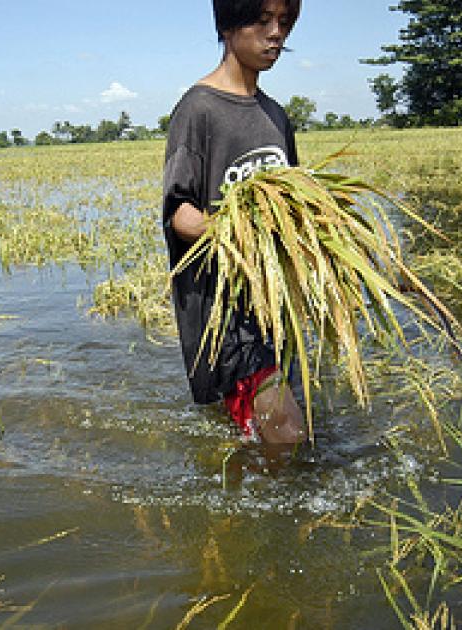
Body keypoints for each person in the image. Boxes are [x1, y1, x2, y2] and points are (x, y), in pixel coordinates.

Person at [162, 0, 306, 445]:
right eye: (262, 21)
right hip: (223, 310)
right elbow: (178, 212)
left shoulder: (276, 115)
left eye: (284, 22)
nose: (276, 33)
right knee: (287, 432)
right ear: (228, 26)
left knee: (263, 434)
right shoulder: (199, 109)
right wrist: (241, 227)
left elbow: (294, 200)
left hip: (272, 304)